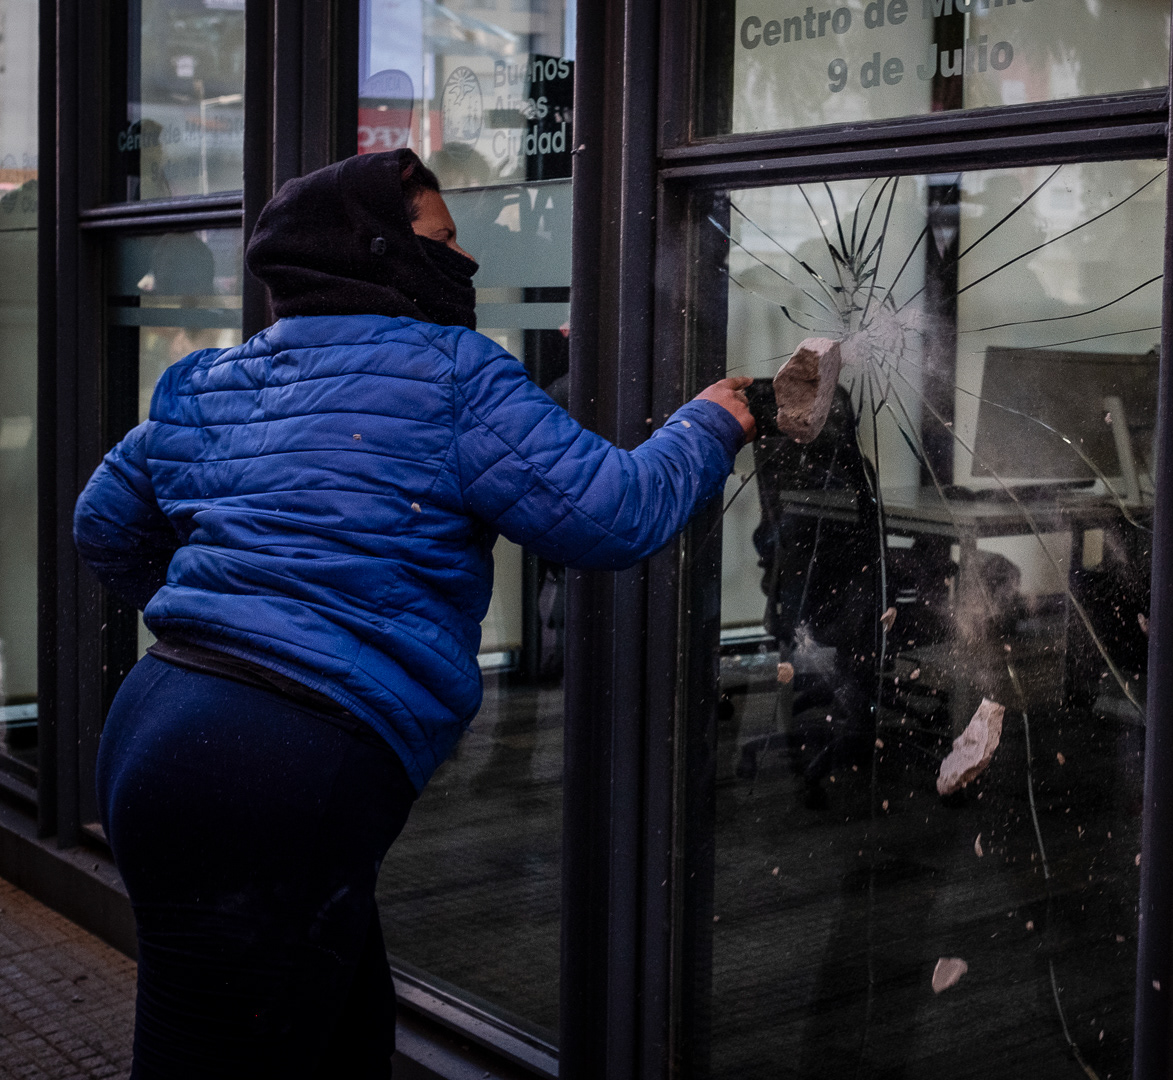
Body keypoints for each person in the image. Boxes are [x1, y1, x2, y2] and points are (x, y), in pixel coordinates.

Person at [72, 148, 755, 1078]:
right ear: (382, 253)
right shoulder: (452, 374)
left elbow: (102, 524)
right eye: (442, 239)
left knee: (340, 1033)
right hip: (280, 770)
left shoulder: (210, 381)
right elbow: (612, 513)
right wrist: (711, 422)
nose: (466, 261)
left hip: (159, 722)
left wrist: (222, 618)